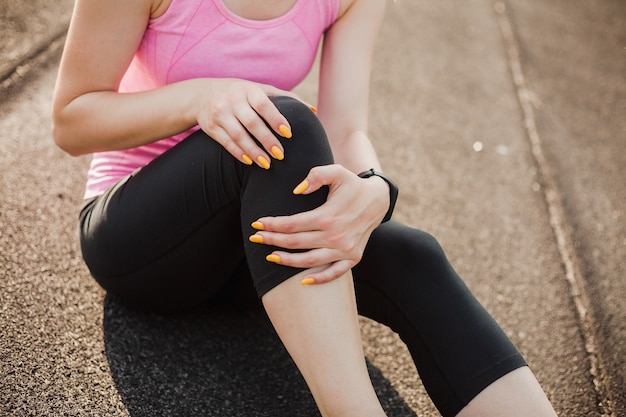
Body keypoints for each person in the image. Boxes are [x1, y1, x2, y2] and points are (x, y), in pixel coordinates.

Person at [52, 0, 558, 416]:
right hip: (134, 238)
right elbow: (72, 121)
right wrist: (202, 98)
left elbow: (346, 128)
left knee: (411, 253)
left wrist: (375, 189)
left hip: (249, 242)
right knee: (284, 125)